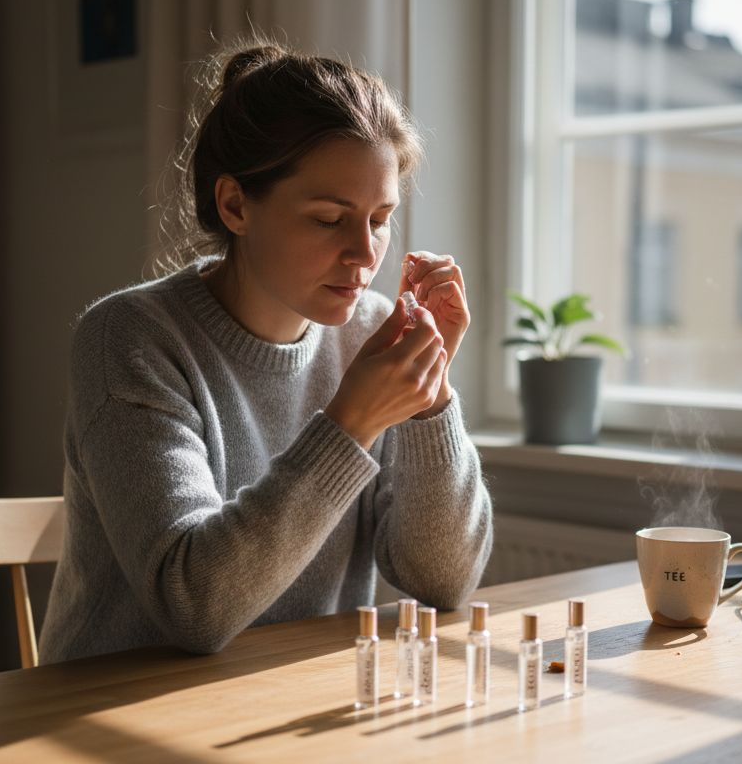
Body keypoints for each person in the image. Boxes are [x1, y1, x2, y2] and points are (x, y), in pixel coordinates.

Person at [39, 42, 493, 662]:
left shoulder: (371, 333)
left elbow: (443, 581)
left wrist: (429, 397)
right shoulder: (130, 339)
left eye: (379, 219)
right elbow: (193, 605)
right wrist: (351, 424)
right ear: (235, 205)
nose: (365, 254)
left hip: (292, 700)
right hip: (116, 704)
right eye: (329, 219)